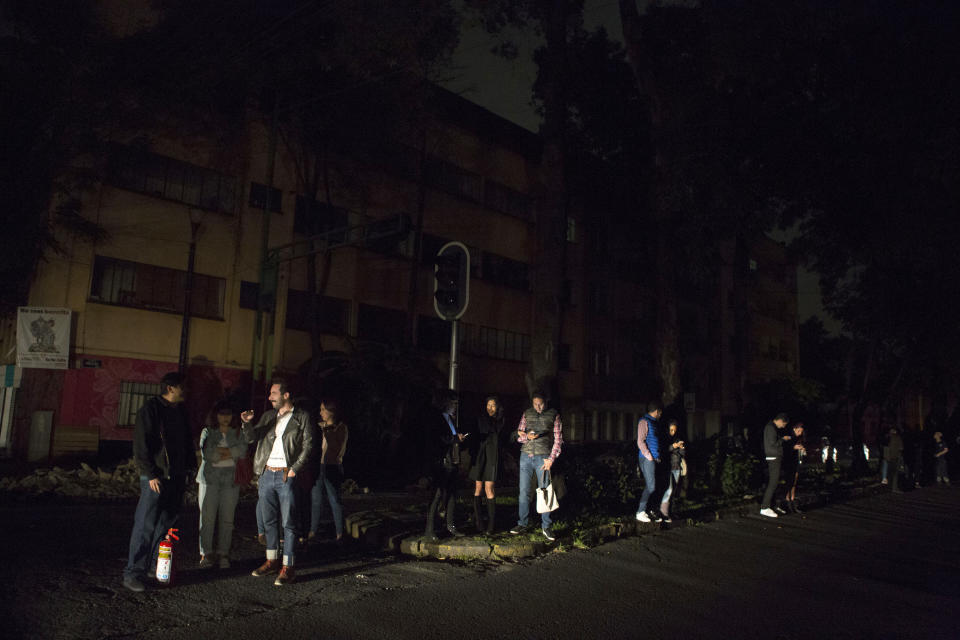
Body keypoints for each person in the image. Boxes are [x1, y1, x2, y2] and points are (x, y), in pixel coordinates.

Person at [122, 372, 196, 592]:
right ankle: (132, 573)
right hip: (156, 476)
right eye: (183, 386)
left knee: (166, 525)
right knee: (146, 524)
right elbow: (141, 445)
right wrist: (151, 473)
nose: (186, 390)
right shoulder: (151, 409)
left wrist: (190, 468)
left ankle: (156, 567)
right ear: (171, 388)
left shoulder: (180, 411)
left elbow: (186, 442)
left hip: (177, 476)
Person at [241, 378, 316, 586]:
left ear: (285, 395)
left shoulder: (301, 417)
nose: (269, 397)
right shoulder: (268, 416)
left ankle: (288, 567)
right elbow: (251, 438)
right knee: (269, 521)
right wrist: (247, 423)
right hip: (266, 474)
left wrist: (294, 470)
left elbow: (308, 446)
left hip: (286, 474)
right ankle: (272, 561)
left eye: (273, 393)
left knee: (289, 522)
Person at [196, 402, 247, 569]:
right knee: (207, 518)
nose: (225, 417)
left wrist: (223, 452)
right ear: (215, 415)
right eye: (221, 414)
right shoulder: (208, 431)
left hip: (230, 480)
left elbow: (243, 451)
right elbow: (208, 454)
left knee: (227, 519)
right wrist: (231, 453)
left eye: (228, 414)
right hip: (209, 479)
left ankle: (223, 553)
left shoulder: (237, 432)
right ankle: (206, 553)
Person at [510, 391, 563, 541]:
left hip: (543, 457)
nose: (538, 407)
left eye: (541, 404)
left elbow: (558, 440)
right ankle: (522, 523)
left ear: (546, 401)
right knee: (524, 491)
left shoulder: (554, 414)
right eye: (535, 404)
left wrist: (551, 459)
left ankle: (546, 526)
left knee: (545, 490)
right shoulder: (527, 413)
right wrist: (527, 436)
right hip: (526, 456)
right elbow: (520, 436)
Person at [424, 390, 466, 540]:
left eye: (456, 403)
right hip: (440, 462)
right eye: (453, 403)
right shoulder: (436, 418)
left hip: (452, 461)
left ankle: (450, 525)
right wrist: (455, 438)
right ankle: (429, 530)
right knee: (436, 496)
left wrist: (456, 439)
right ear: (445, 402)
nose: (455, 406)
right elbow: (437, 439)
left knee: (452, 494)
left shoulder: (450, 418)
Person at [309, 399, 349, 543]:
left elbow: (335, 446)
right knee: (315, 500)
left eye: (323, 409)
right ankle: (312, 531)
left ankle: (339, 533)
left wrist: (326, 431)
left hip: (332, 466)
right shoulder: (321, 426)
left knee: (334, 500)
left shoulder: (340, 428)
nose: (321, 413)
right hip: (319, 466)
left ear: (331, 411)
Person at [467, 395, 503, 534]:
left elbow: (502, 437)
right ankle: (479, 522)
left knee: (489, 488)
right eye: (488, 405)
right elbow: (473, 435)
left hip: (492, 457)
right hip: (480, 456)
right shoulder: (479, 419)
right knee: (478, 487)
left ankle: (491, 525)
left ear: (498, 407)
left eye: (493, 405)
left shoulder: (501, 421)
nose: (490, 408)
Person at [635, 401, 663, 523]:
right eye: (660, 412)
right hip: (647, 459)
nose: (661, 415)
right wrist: (649, 456)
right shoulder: (644, 421)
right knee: (651, 486)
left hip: (654, 459)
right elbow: (640, 441)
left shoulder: (654, 423)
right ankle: (640, 512)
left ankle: (650, 511)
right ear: (657, 411)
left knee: (654, 486)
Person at [760, 412, 791, 518]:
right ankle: (765, 507)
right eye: (783, 424)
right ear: (780, 420)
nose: (783, 427)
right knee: (773, 483)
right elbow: (773, 443)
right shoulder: (771, 428)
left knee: (774, 483)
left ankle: (771, 505)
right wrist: (783, 439)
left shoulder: (770, 427)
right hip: (773, 457)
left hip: (773, 456)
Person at [658, 419, 685, 523]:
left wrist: (682, 448)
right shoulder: (665, 439)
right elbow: (663, 451)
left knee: (673, 491)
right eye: (671, 430)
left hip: (677, 467)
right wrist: (673, 447)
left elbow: (682, 454)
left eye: (675, 430)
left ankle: (669, 512)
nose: (673, 432)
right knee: (668, 490)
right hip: (668, 467)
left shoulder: (677, 439)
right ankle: (663, 513)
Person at [783, 422, 807, 513]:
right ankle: (788, 499)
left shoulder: (798, 438)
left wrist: (802, 450)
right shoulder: (789, 437)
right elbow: (785, 448)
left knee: (794, 480)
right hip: (789, 462)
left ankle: (792, 499)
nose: (800, 433)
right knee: (790, 480)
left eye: (801, 431)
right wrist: (793, 448)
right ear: (794, 428)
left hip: (795, 461)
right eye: (799, 430)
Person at [881, 426, 904, 492]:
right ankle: (894, 488)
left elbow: (884, 447)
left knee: (888, 472)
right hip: (894, 457)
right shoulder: (897, 438)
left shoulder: (887, 437)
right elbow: (901, 448)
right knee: (895, 473)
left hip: (887, 457)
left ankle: (888, 486)